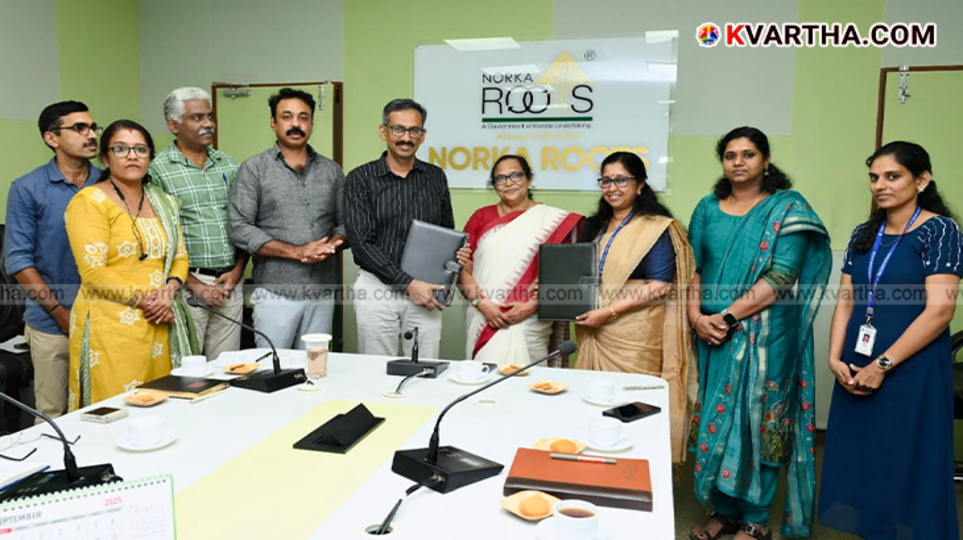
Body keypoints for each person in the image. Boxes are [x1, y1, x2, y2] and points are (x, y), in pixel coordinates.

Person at [687, 127, 831, 540]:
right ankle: (725, 511)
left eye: (748, 154)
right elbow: (693, 268)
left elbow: (783, 276)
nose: (738, 162)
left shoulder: (788, 208)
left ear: (766, 161)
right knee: (719, 419)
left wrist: (727, 317)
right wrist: (697, 317)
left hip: (767, 338)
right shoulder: (707, 208)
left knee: (760, 423)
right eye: (730, 155)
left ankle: (755, 519)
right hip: (712, 333)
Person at [819, 141, 961, 540]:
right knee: (866, 459)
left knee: (904, 458)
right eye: (874, 177)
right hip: (855, 364)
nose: (880, 185)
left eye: (892, 176)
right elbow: (845, 300)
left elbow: (940, 311)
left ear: (922, 180)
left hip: (908, 367)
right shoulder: (866, 233)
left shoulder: (941, 230)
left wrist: (882, 366)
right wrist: (834, 358)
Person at [572, 151, 695, 464]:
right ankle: (594, 467)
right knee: (592, 405)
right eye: (606, 180)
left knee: (632, 406)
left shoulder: (655, 227)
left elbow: (660, 285)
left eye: (621, 180)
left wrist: (609, 312)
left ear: (639, 185)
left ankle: (635, 470)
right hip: (594, 332)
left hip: (636, 334)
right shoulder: (595, 226)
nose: (612, 187)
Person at [65, 120, 195, 409]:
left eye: (140, 149)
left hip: (162, 322)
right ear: (104, 157)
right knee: (117, 411)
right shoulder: (90, 201)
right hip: (111, 326)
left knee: (165, 407)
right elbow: (93, 271)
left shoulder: (165, 202)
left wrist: (169, 292)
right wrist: (149, 301)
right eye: (121, 149)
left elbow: (179, 257)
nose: (132, 155)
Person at [344, 98, 468, 359]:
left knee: (425, 367)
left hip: (426, 290)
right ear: (383, 132)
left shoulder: (436, 177)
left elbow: (445, 233)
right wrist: (407, 283)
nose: (406, 137)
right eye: (398, 129)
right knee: (378, 369)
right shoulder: (360, 179)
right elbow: (361, 243)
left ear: (422, 136)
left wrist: (456, 257)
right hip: (377, 289)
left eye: (414, 131)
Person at [3, 101, 102, 420]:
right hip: (52, 323)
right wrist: (60, 313)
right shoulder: (27, 188)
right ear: (51, 138)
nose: (91, 135)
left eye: (92, 128)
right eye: (79, 128)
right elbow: (18, 261)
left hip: (108, 319)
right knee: (54, 415)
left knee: (107, 410)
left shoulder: (109, 183)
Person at [229, 88, 345, 349]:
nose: (296, 124)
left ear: (312, 124)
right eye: (287, 117)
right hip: (275, 292)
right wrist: (297, 252)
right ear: (273, 122)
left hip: (322, 291)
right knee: (273, 368)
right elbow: (240, 227)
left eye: (303, 118)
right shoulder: (254, 169)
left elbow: (345, 223)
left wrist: (331, 245)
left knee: (316, 369)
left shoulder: (332, 171)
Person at [458, 154, 582, 366]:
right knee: (486, 381)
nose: (508, 183)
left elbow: (566, 275)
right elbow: (463, 270)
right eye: (500, 178)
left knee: (530, 383)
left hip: (531, 318)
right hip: (485, 315)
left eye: (515, 175)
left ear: (529, 179)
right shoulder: (481, 217)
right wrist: (483, 304)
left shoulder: (552, 221)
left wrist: (533, 305)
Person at [150, 87, 245, 361]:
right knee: (189, 372)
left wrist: (237, 271)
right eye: (198, 118)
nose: (209, 124)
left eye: (210, 116)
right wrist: (194, 284)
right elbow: (158, 237)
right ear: (173, 125)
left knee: (228, 370)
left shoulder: (229, 165)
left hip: (230, 281)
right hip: (186, 284)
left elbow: (245, 223)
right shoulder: (158, 170)